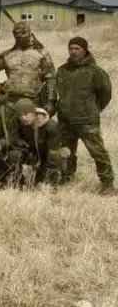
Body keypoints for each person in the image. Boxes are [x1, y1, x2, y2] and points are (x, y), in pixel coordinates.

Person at [53, 37, 113, 192]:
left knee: (98, 152)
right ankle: (67, 178)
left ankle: (107, 184)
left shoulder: (95, 72)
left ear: (85, 50)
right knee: (66, 152)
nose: (73, 52)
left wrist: (93, 109)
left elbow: (105, 94)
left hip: (87, 121)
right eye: (71, 48)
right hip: (66, 121)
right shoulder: (62, 70)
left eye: (77, 48)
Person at [0, 21, 55, 111]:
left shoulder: (42, 53)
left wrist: (50, 101)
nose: (20, 36)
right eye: (17, 34)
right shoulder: (7, 55)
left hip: (33, 100)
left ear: (30, 33)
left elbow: (51, 78)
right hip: (10, 101)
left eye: (24, 32)